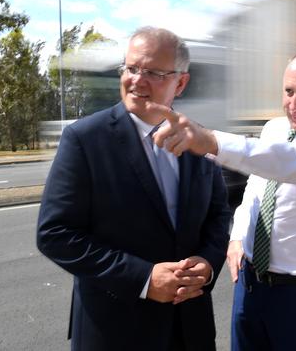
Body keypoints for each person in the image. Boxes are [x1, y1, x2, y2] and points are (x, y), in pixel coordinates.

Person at [152, 50, 296, 350]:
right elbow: (256, 184)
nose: (293, 104)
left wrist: (211, 140)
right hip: (250, 285)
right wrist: (238, 236)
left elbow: (288, 163)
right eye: (288, 91)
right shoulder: (274, 129)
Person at [36, 27, 231, 351]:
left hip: (190, 330)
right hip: (115, 332)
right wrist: (143, 279)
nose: (137, 80)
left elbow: (218, 214)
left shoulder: (199, 139)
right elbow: (54, 233)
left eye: (153, 72)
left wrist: (208, 263)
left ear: (180, 82)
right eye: (131, 68)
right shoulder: (85, 139)